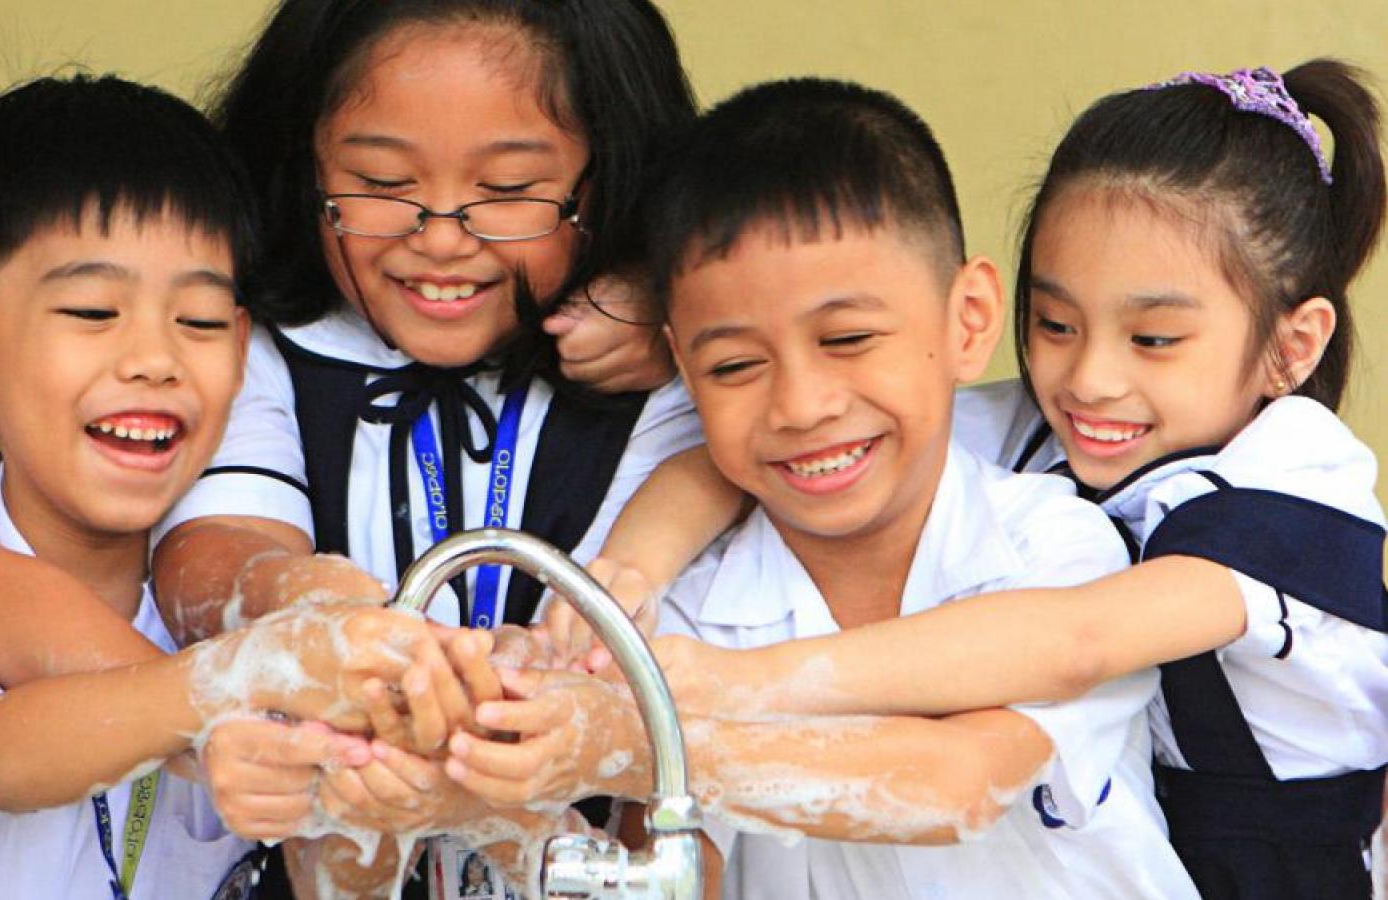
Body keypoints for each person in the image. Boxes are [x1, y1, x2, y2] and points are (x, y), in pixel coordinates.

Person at [586, 60, 1388, 900]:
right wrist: (626, 580)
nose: (1090, 378)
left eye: (1152, 340)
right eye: (1055, 324)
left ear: (1294, 347)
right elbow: (750, 461)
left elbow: (1081, 640)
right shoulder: (1054, 431)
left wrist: (732, 686)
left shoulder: (1299, 479)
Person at [445, 77, 1198, 899]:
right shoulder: (698, 607)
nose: (802, 406)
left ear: (968, 319)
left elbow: (957, 785)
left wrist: (639, 733)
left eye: (847, 338)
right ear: (685, 370)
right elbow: (674, 871)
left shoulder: (1051, 547)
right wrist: (483, 790)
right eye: (734, 366)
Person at [0, 72, 454, 898]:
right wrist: (234, 685)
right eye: (93, 313)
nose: (155, 359)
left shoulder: (223, 618)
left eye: (200, 321)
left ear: (242, 352)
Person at [155, 1, 704, 895]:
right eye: (380, 181)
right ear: (304, 164)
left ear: (608, 176)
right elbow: (211, 559)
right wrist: (316, 606)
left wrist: (683, 304)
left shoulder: (656, 376)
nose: (443, 236)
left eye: (510, 192)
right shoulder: (261, 348)